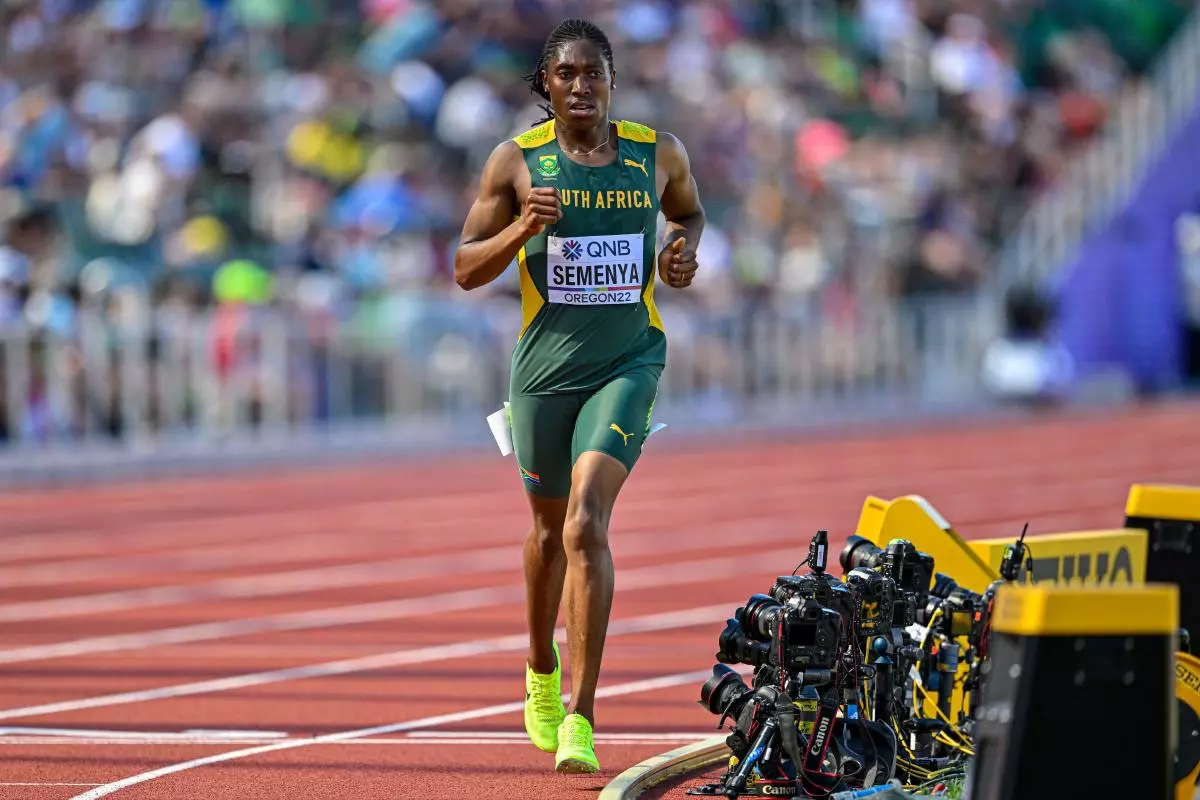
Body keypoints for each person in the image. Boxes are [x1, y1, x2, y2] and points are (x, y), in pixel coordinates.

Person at [453, 18, 705, 774]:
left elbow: (688, 210)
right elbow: (464, 268)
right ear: (547, 85)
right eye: (566, 74)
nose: (581, 85)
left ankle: (581, 717)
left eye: (594, 72)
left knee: (586, 522)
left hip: (629, 361)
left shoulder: (657, 153)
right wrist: (520, 230)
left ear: (612, 80)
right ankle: (540, 665)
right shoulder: (517, 162)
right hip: (544, 372)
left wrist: (682, 248)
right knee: (546, 531)